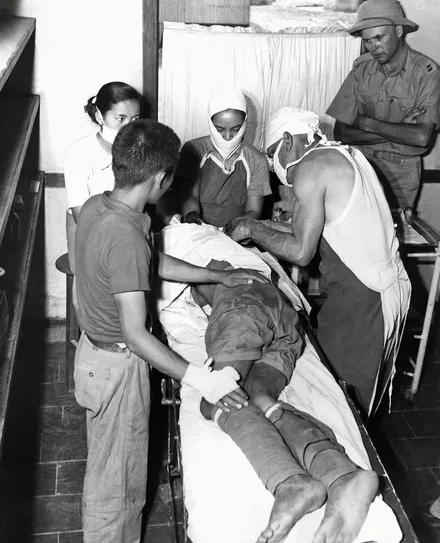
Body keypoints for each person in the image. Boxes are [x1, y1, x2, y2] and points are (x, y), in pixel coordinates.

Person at [73, 118, 268, 543]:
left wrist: (213, 277)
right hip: (117, 364)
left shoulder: (99, 207)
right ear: (161, 178)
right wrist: (202, 378)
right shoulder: (123, 231)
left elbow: (146, 263)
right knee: (116, 488)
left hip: (93, 356)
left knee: (112, 467)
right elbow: (138, 334)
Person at [224, 106, 411, 418]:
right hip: (372, 289)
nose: (274, 166)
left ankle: (347, 459)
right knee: (337, 382)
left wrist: (252, 228)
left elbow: (300, 251)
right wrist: (256, 227)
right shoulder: (343, 155)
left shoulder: (311, 169)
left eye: (273, 156)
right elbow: (313, 231)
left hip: (366, 296)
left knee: (343, 399)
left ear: (286, 140)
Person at [190, 258, 379, 543]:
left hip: (243, 307)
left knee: (216, 399)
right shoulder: (236, 253)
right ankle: (340, 473)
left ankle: (291, 482)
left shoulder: (180, 243)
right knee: (257, 396)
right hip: (283, 316)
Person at [326, 0, 440, 211]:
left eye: (379, 38)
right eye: (367, 41)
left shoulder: (426, 73)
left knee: (395, 238)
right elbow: (341, 132)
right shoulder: (361, 70)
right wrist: (400, 127)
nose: (373, 47)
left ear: (398, 30)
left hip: (401, 174)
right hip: (360, 167)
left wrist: (366, 123)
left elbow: (421, 137)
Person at [64, 81, 141, 272]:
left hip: (128, 227)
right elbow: (80, 215)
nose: (128, 127)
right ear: (100, 116)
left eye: (135, 120)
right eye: (120, 119)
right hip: (87, 231)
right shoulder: (79, 152)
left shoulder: (139, 151)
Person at [173, 85, 272, 227]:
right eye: (219, 129)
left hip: (239, 233)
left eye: (236, 129)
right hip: (198, 228)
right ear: (210, 123)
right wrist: (192, 217)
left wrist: (234, 230)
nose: (227, 137)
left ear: (245, 124)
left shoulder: (256, 160)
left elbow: (253, 210)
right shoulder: (194, 150)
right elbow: (191, 197)